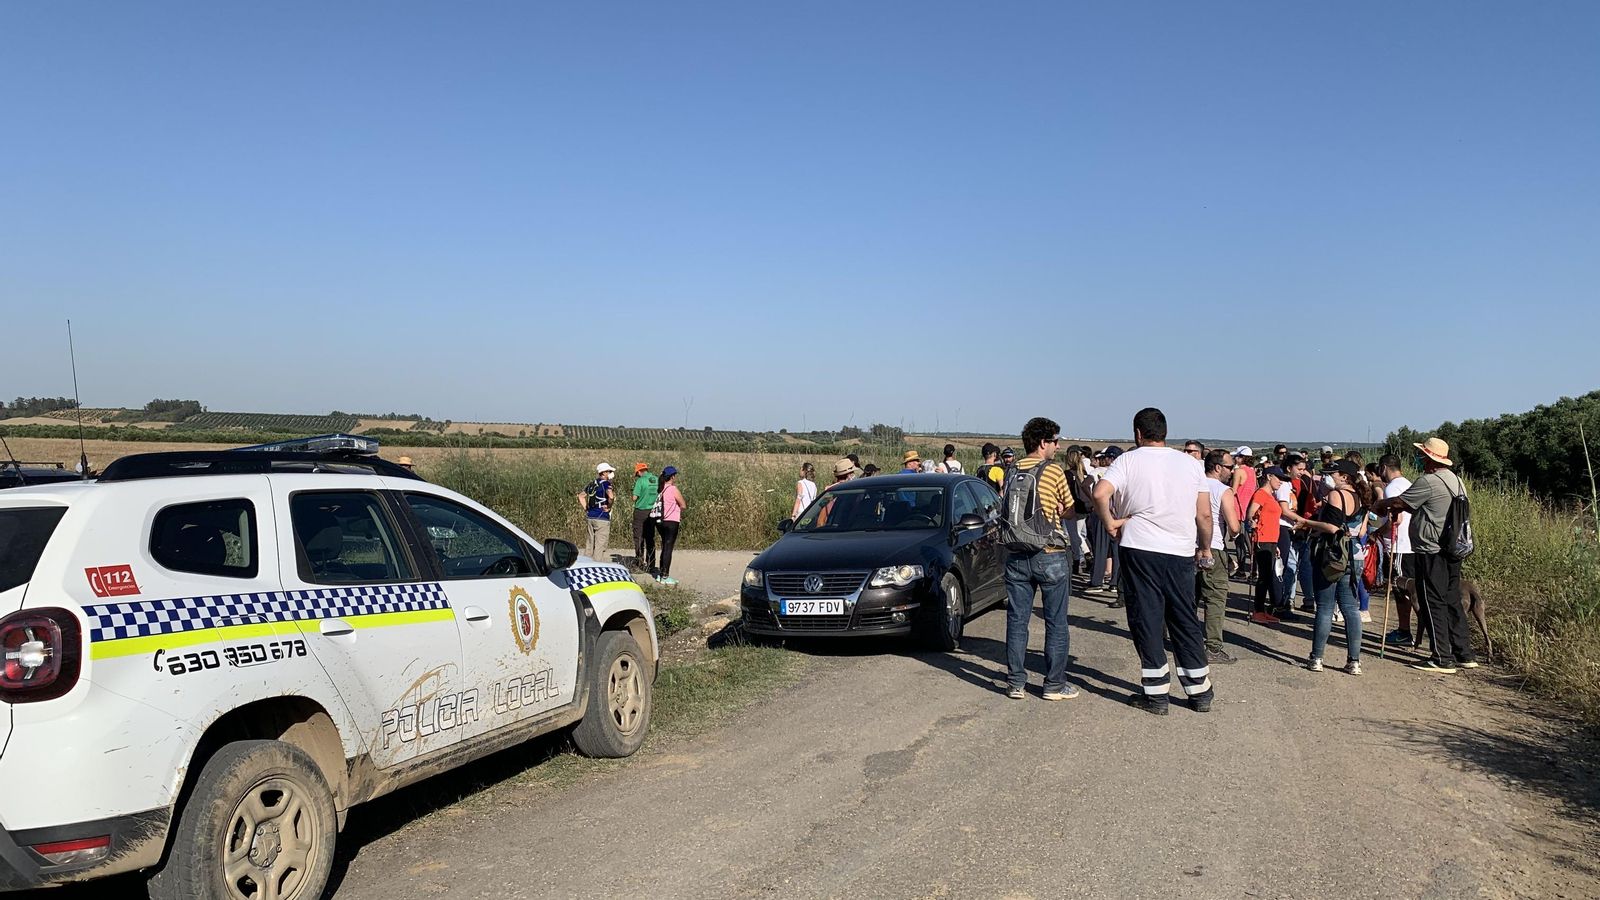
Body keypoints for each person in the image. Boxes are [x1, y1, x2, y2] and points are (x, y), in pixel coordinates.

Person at [1092, 408, 1214, 715]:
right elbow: (1203, 514)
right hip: (1180, 550)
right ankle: (1200, 692)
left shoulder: (1127, 460)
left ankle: (1157, 694)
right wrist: (1205, 547)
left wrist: (1110, 523)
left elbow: (1099, 493)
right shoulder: (1189, 464)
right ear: (1165, 432)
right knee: (1184, 617)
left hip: (1139, 548)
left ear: (1137, 433)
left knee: (1147, 617)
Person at [1373, 437, 1477, 674]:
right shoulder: (1456, 480)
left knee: (1432, 601)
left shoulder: (1429, 481)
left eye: (1421, 455)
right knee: (1451, 600)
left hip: (1432, 550)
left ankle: (1442, 657)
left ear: (1429, 458)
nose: (1419, 459)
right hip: (1452, 549)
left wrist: (1381, 505)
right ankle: (1464, 653)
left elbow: (1403, 502)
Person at [999, 417, 1076, 701]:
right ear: (1043, 442)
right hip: (1050, 553)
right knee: (1056, 622)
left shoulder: (1012, 468)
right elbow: (1069, 510)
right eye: (1055, 441)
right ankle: (1054, 685)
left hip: (1016, 553)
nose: (1058, 446)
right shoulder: (1054, 471)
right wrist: (1058, 508)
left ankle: (1016, 682)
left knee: (1017, 620)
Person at [1304, 460, 1366, 674]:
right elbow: (1361, 529)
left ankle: (1317, 657)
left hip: (1332, 555)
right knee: (1350, 608)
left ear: (1344, 477)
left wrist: (1307, 523)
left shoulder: (1335, 496)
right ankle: (1354, 660)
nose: (1328, 477)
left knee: (1325, 607)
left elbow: (1331, 527)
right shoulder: (1363, 497)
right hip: (1355, 554)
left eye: (1333, 473)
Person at [1198, 450, 1240, 664]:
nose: (1232, 471)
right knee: (1214, 600)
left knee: (1186, 597)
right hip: (1213, 546)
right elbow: (1233, 527)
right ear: (1217, 467)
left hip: (1188, 546)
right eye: (1229, 467)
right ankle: (1213, 647)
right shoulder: (1223, 491)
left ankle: (1178, 638)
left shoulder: (1193, 485)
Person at [1374, 454, 1417, 644]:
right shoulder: (1408, 484)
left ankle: (1404, 630)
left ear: (1384, 468)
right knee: (1409, 589)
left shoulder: (1392, 488)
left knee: (1402, 589)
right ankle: (1407, 629)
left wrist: (1377, 533)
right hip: (1411, 545)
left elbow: (1395, 520)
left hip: (1399, 545)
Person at [1247, 467, 1289, 622]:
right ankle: (1258, 611)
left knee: (1268, 575)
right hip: (1262, 539)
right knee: (1264, 576)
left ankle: (1262, 610)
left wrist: (1275, 544)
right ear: (1269, 476)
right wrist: (1253, 523)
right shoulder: (1261, 494)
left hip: (1271, 540)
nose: (1280, 482)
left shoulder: (1270, 496)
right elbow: (1250, 513)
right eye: (1278, 478)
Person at [1085, 446, 1122, 603]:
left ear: (1111, 458)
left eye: (1105, 457)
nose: (1103, 460)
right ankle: (1115, 582)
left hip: (1102, 512)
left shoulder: (1099, 472)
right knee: (1116, 550)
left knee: (1100, 547)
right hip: (1119, 513)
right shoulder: (1123, 472)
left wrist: (1093, 500)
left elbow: (1086, 485)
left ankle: (1097, 580)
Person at [577, 462, 616, 561]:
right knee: (600, 545)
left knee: (590, 543)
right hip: (602, 517)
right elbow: (611, 496)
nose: (610, 473)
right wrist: (609, 506)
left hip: (591, 517)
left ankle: (586, 564)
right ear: (603, 473)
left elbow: (581, 496)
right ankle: (596, 565)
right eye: (609, 471)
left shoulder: (592, 484)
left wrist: (587, 508)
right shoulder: (606, 484)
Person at [656, 466, 686, 585]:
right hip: (671, 521)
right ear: (672, 476)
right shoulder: (673, 489)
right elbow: (683, 504)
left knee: (664, 546)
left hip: (661, 521)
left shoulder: (661, 489)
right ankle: (665, 576)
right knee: (668, 548)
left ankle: (661, 574)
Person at [1231, 446, 1258, 579]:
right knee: (1250, 542)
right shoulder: (1252, 472)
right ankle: (1254, 571)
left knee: (1240, 542)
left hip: (1238, 509)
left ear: (1242, 457)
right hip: (1249, 509)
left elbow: (1233, 491)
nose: (1235, 458)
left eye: (1237, 456)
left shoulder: (1239, 471)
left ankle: (1241, 570)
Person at [631, 461, 660, 574]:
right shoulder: (657, 479)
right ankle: (651, 564)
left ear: (639, 471)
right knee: (650, 537)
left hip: (641, 511)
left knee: (638, 537)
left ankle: (639, 562)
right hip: (653, 511)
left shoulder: (640, 481)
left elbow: (634, 497)